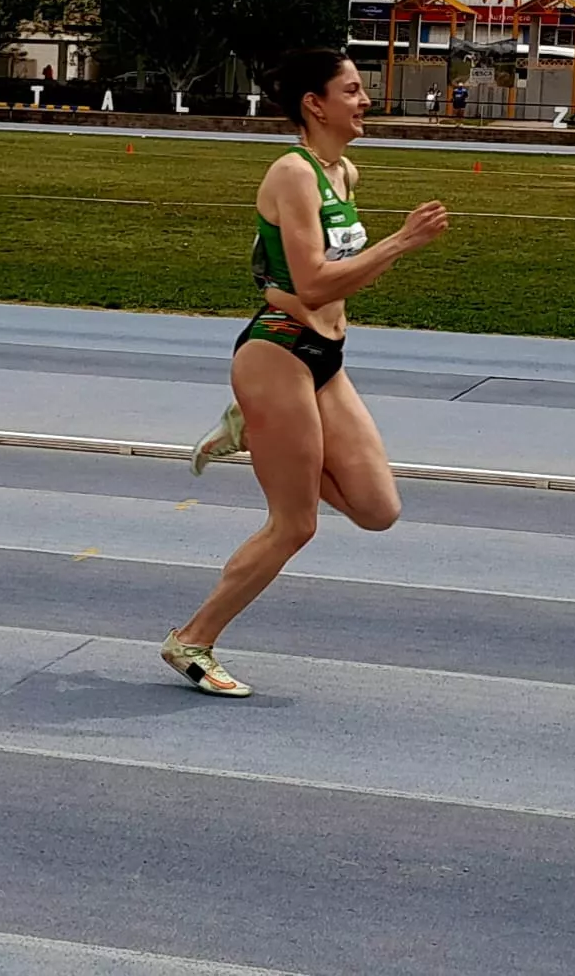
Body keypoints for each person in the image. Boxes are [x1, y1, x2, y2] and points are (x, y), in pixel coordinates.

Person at [168, 48, 449, 695]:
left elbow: (299, 266)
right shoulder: (291, 173)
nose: (365, 100)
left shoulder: (342, 173)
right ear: (314, 105)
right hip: (277, 355)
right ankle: (192, 640)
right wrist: (402, 242)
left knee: (379, 509)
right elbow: (316, 284)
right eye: (352, 90)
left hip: (326, 359)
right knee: (295, 524)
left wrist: (283, 275)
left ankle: (253, 430)